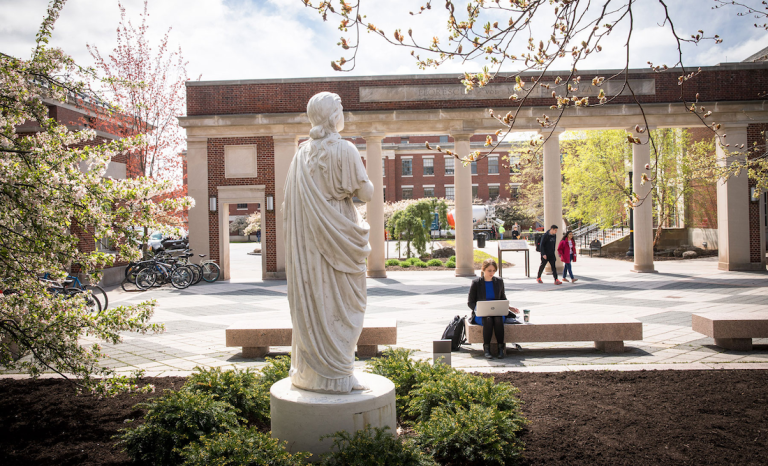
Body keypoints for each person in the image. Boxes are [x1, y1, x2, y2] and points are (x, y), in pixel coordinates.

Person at [284, 91, 374, 394]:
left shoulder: (300, 153)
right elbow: (366, 194)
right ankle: (338, 373)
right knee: (345, 302)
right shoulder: (345, 149)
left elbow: (289, 206)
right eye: (340, 108)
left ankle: (313, 373)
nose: (343, 113)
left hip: (310, 236)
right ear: (332, 116)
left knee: (316, 296)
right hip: (339, 228)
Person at [467, 258, 520, 359]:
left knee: (498, 319)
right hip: (481, 314)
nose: (492, 273)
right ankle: (487, 349)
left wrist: (510, 307)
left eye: (494, 271)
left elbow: (502, 298)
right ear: (483, 269)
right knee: (488, 320)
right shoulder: (476, 283)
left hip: (497, 312)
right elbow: (470, 302)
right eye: (489, 270)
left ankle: (501, 348)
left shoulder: (499, 281)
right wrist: (478, 310)